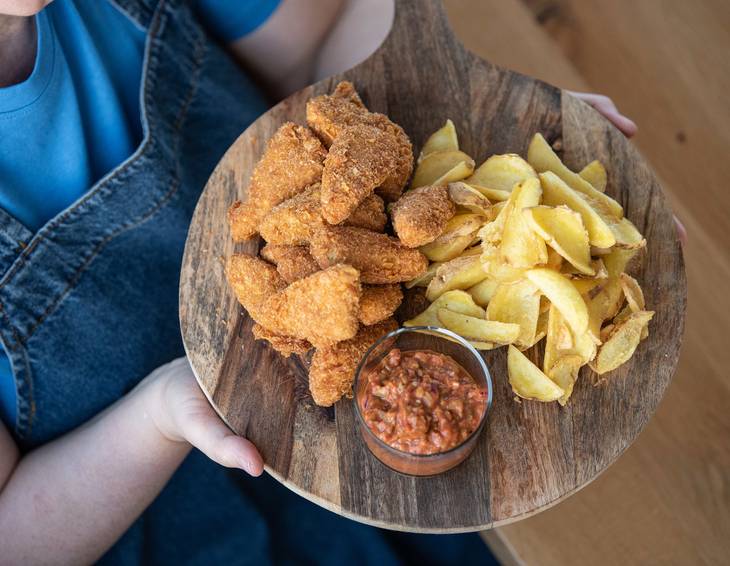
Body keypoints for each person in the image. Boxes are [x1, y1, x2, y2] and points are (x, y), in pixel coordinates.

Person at [0, 1, 657, 564]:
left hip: (369, 450)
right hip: (152, 516)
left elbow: (323, 36)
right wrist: (166, 411)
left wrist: (501, 142)